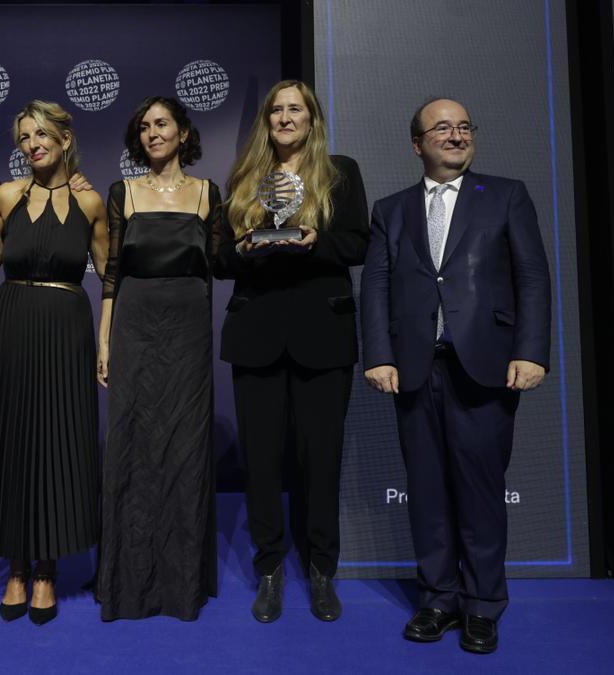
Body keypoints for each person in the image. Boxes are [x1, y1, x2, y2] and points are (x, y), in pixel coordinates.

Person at [360, 97, 551, 654]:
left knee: (481, 493)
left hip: (486, 367)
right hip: (415, 369)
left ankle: (483, 605)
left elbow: (533, 278)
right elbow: (374, 288)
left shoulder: (507, 195)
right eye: (441, 127)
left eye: (464, 126)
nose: (456, 134)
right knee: (426, 491)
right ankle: (438, 599)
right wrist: (378, 353)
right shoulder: (390, 209)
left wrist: (532, 351)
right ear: (417, 143)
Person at [215, 79, 369, 623]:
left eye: (294, 109)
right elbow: (220, 261)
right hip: (256, 335)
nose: (285, 117)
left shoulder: (341, 171)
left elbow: (357, 243)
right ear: (266, 120)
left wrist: (313, 241)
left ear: (311, 118)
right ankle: (270, 570)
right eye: (276, 110)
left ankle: (323, 571)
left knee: (320, 461)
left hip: (323, 338)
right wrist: (247, 246)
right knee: (260, 464)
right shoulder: (242, 178)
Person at [0, 100, 107, 626]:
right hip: (12, 325)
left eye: (42, 135)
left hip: (67, 326)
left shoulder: (93, 202)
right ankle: (17, 566)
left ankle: (47, 569)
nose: (33, 144)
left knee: (59, 439)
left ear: (65, 139)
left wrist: (111, 338)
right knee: (14, 439)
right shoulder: (5, 195)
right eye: (25, 137)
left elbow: (110, 275)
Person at [95, 96, 220, 621]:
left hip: (189, 331)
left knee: (186, 448)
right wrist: (104, 341)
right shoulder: (122, 192)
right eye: (144, 126)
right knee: (132, 443)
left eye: (162, 123)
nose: (152, 133)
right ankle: (128, 582)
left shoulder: (209, 193)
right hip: (134, 325)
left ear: (184, 133)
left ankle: (180, 582)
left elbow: (220, 263)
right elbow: (112, 272)